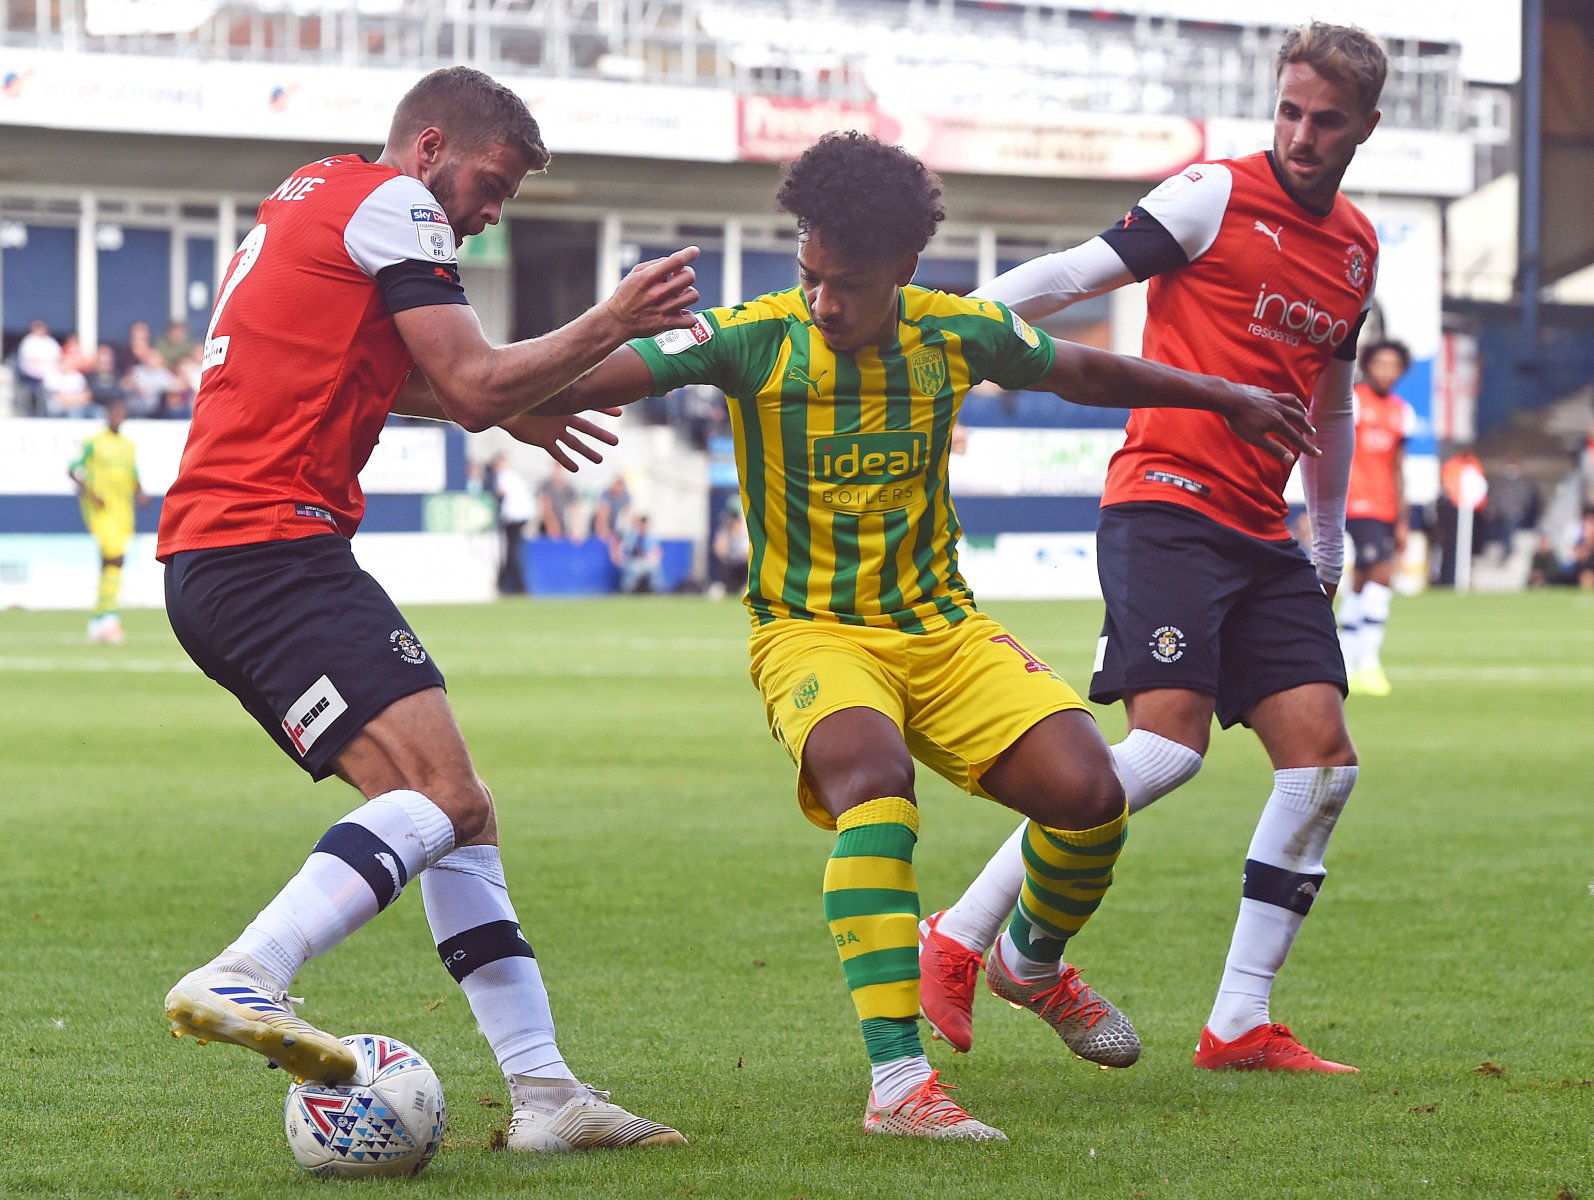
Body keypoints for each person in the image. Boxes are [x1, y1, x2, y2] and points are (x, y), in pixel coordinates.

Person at [543, 131, 1317, 1139]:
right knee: (874, 786)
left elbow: (1079, 369)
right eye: (810, 276)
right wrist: (492, 395)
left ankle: (1027, 963)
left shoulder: (956, 333)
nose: (824, 302)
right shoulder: (751, 337)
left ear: (906, 270)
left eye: (849, 285)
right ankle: (899, 1087)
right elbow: (596, 376)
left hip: (941, 629)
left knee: (1090, 797)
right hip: (812, 633)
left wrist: (1224, 395)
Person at [155, 65, 701, 1153]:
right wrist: (608, 322)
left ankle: (546, 1098)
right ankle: (247, 973)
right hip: (270, 549)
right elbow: (469, 381)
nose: (490, 214)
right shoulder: (398, 206)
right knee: (446, 796)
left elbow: (387, 377)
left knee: (462, 811)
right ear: (430, 147)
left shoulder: (312, 192)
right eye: (489, 183)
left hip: (235, 556)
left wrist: (502, 408)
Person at [917, 21, 1383, 1075]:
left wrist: (1324, 533)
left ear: (1365, 128)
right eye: (1290, 111)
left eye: (1327, 121)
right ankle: (960, 934)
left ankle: (1237, 1026)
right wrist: (943, 322)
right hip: (1165, 504)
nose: (1303, 135)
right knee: (1168, 750)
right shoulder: (1213, 195)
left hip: (1266, 533)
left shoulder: (1356, 247)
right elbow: (1074, 273)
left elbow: (1333, 402)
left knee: (1321, 768)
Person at [1338, 339, 1415, 696]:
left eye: (1393, 365)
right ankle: (1369, 662)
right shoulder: (1352, 401)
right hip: (1355, 503)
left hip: (1384, 507)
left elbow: (1398, 468)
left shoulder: (1401, 412)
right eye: (1380, 363)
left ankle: (1345, 658)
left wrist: (1402, 518)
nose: (1386, 371)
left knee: (1361, 581)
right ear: (1368, 365)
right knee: (1381, 575)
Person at [69, 397, 148, 644]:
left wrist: (140, 492)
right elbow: (73, 469)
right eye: (113, 413)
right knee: (115, 557)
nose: (117, 416)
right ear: (107, 415)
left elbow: (133, 473)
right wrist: (91, 493)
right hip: (101, 511)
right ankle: (109, 619)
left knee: (111, 563)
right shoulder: (93, 443)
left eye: (120, 413)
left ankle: (99, 619)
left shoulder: (128, 446)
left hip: (123, 511)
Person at [491, 452, 534, 594]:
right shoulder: (514, 475)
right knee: (513, 551)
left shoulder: (504, 476)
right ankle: (515, 585)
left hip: (513, 518)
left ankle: (514, 586)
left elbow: (501, 493)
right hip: (521, 516)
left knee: (511, 552)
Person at [16, 318, 62, 413]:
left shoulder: (50, 342)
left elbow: (58, 358)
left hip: (51, 371)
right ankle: (45, 409)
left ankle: (55, 407)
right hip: (31, 373)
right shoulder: (28, 341)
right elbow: (30, 360)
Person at [614, 512, 663, 593]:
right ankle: (626, 590)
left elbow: (656, 551)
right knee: (633, 569)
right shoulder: (631, 535)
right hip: (633, 561)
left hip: (647, 561)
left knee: (655, 567)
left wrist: (650, 556)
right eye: (642, 524)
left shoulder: (652, 537)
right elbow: (628, 550)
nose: (644, 526)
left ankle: (657, 590)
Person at [536, 462, 576, 538]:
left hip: (561, 523)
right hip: (546, 524)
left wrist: (573, 527)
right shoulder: (546, 485)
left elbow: (574, 509)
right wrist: (551, 524)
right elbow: (545, 507)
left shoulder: (569, 488)